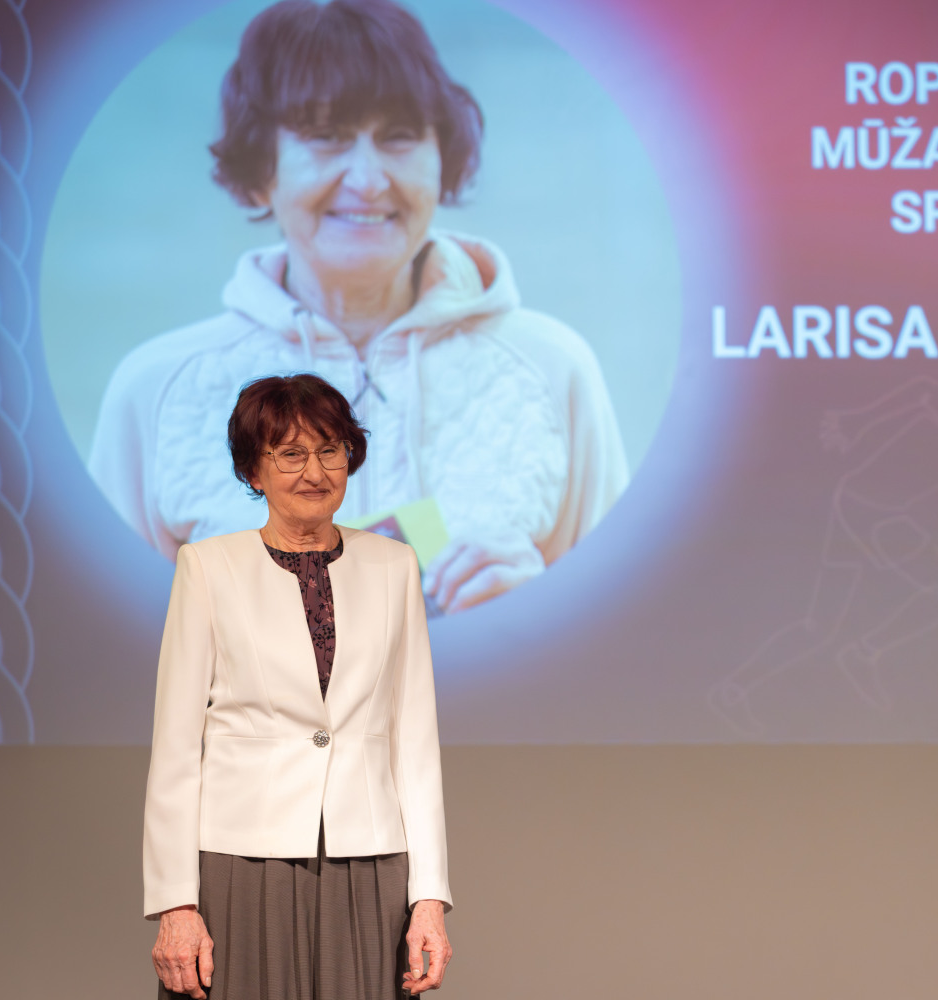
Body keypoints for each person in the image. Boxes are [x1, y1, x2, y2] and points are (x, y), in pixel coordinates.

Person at [90, 0, 628, 614]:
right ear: (261, 169)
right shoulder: (155, 392)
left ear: (443, 159)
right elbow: (104, 642)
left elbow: (625, 632)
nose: (369, 180)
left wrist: (543, 614)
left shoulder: (554, 370)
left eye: (399, 136)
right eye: (326, 137)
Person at [146, 374, 451, 998]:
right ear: (252, 471)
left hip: (369, 861)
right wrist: (175, 902)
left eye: (330, 450)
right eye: (290, 453)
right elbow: (174, 751)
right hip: (241, 859)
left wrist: (429, 897)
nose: (315, 471)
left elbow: (415, 745)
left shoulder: (395, 565)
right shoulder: (208, 567)